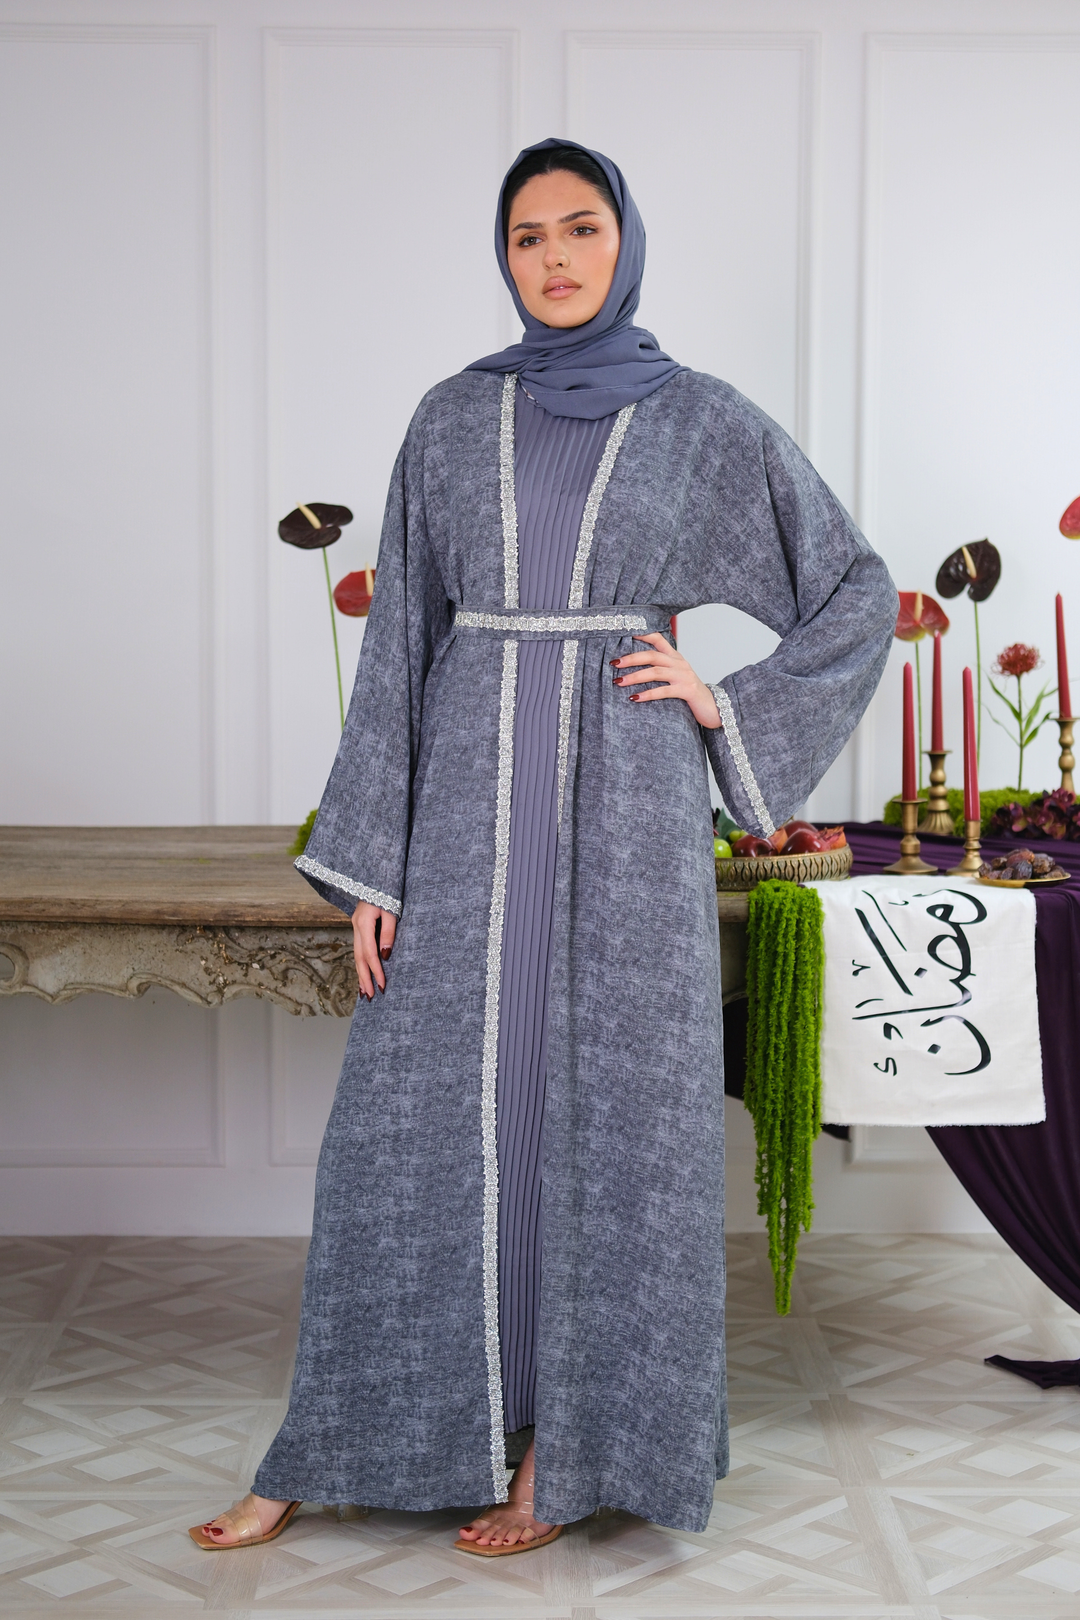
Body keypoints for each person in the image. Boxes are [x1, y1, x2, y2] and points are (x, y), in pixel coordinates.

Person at [190, 137, 896, 1556]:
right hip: (462, 803)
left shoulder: (700, 421)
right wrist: (374, 862)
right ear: (503, 257)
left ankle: (565, 1460)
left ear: (624, 241)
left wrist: (723, 700)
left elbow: (853, 590)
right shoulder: (453, 418)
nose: (557, 257)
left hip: (627, 804)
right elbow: (400, 643)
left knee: (612, 1117)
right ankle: (333, 1438)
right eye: (529, 236)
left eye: (582, 228)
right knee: (410, 1124)